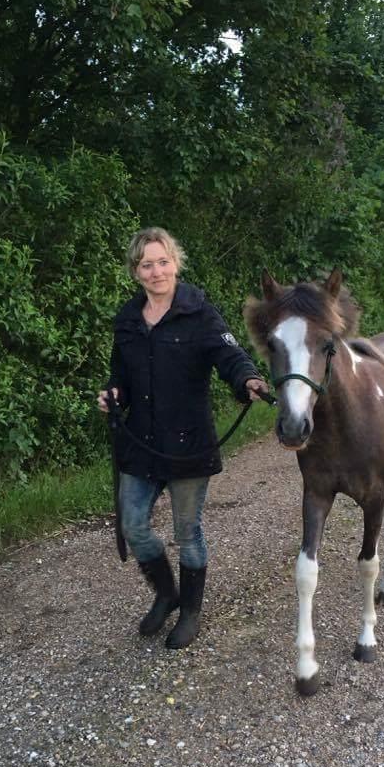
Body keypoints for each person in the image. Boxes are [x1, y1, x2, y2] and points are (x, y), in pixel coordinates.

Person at [98, 227, 269, 649]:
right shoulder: (127, 320)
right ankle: (166, 593)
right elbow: (120, 374)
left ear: (175, 262)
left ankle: (191, 610)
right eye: (146, 265)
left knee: (187, 532)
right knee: (134, 524)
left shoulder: (200, 314)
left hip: (189, 442)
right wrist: (113, 394)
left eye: (162, 262)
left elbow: (230, 355)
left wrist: (246, 378)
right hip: (141, 442)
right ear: (135, 271)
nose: (156, 272)